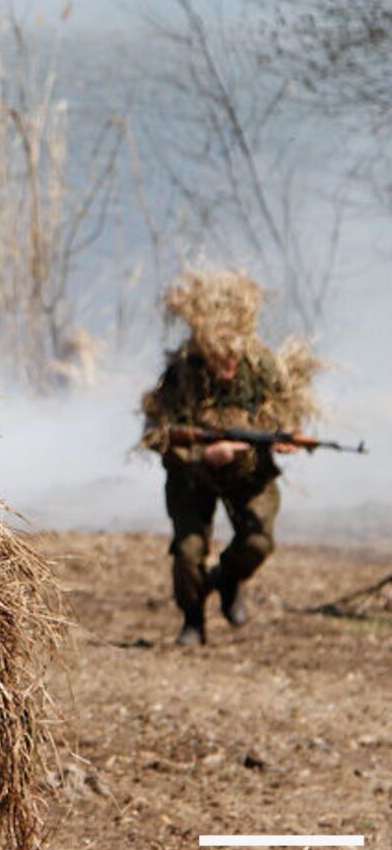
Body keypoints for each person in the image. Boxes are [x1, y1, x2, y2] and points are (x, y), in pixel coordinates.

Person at [141, 269, 317, 646]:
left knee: (257, 541)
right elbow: (157, 436)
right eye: (220, 358)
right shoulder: (180, 377)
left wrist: (287, 436)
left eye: (233, 357)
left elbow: (285, 411)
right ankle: (193, 619)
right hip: (193, 476)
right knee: (188, 552)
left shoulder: (260, 368)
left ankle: (227, 580)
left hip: (248, 472)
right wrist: (203, 454)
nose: (228, 366)